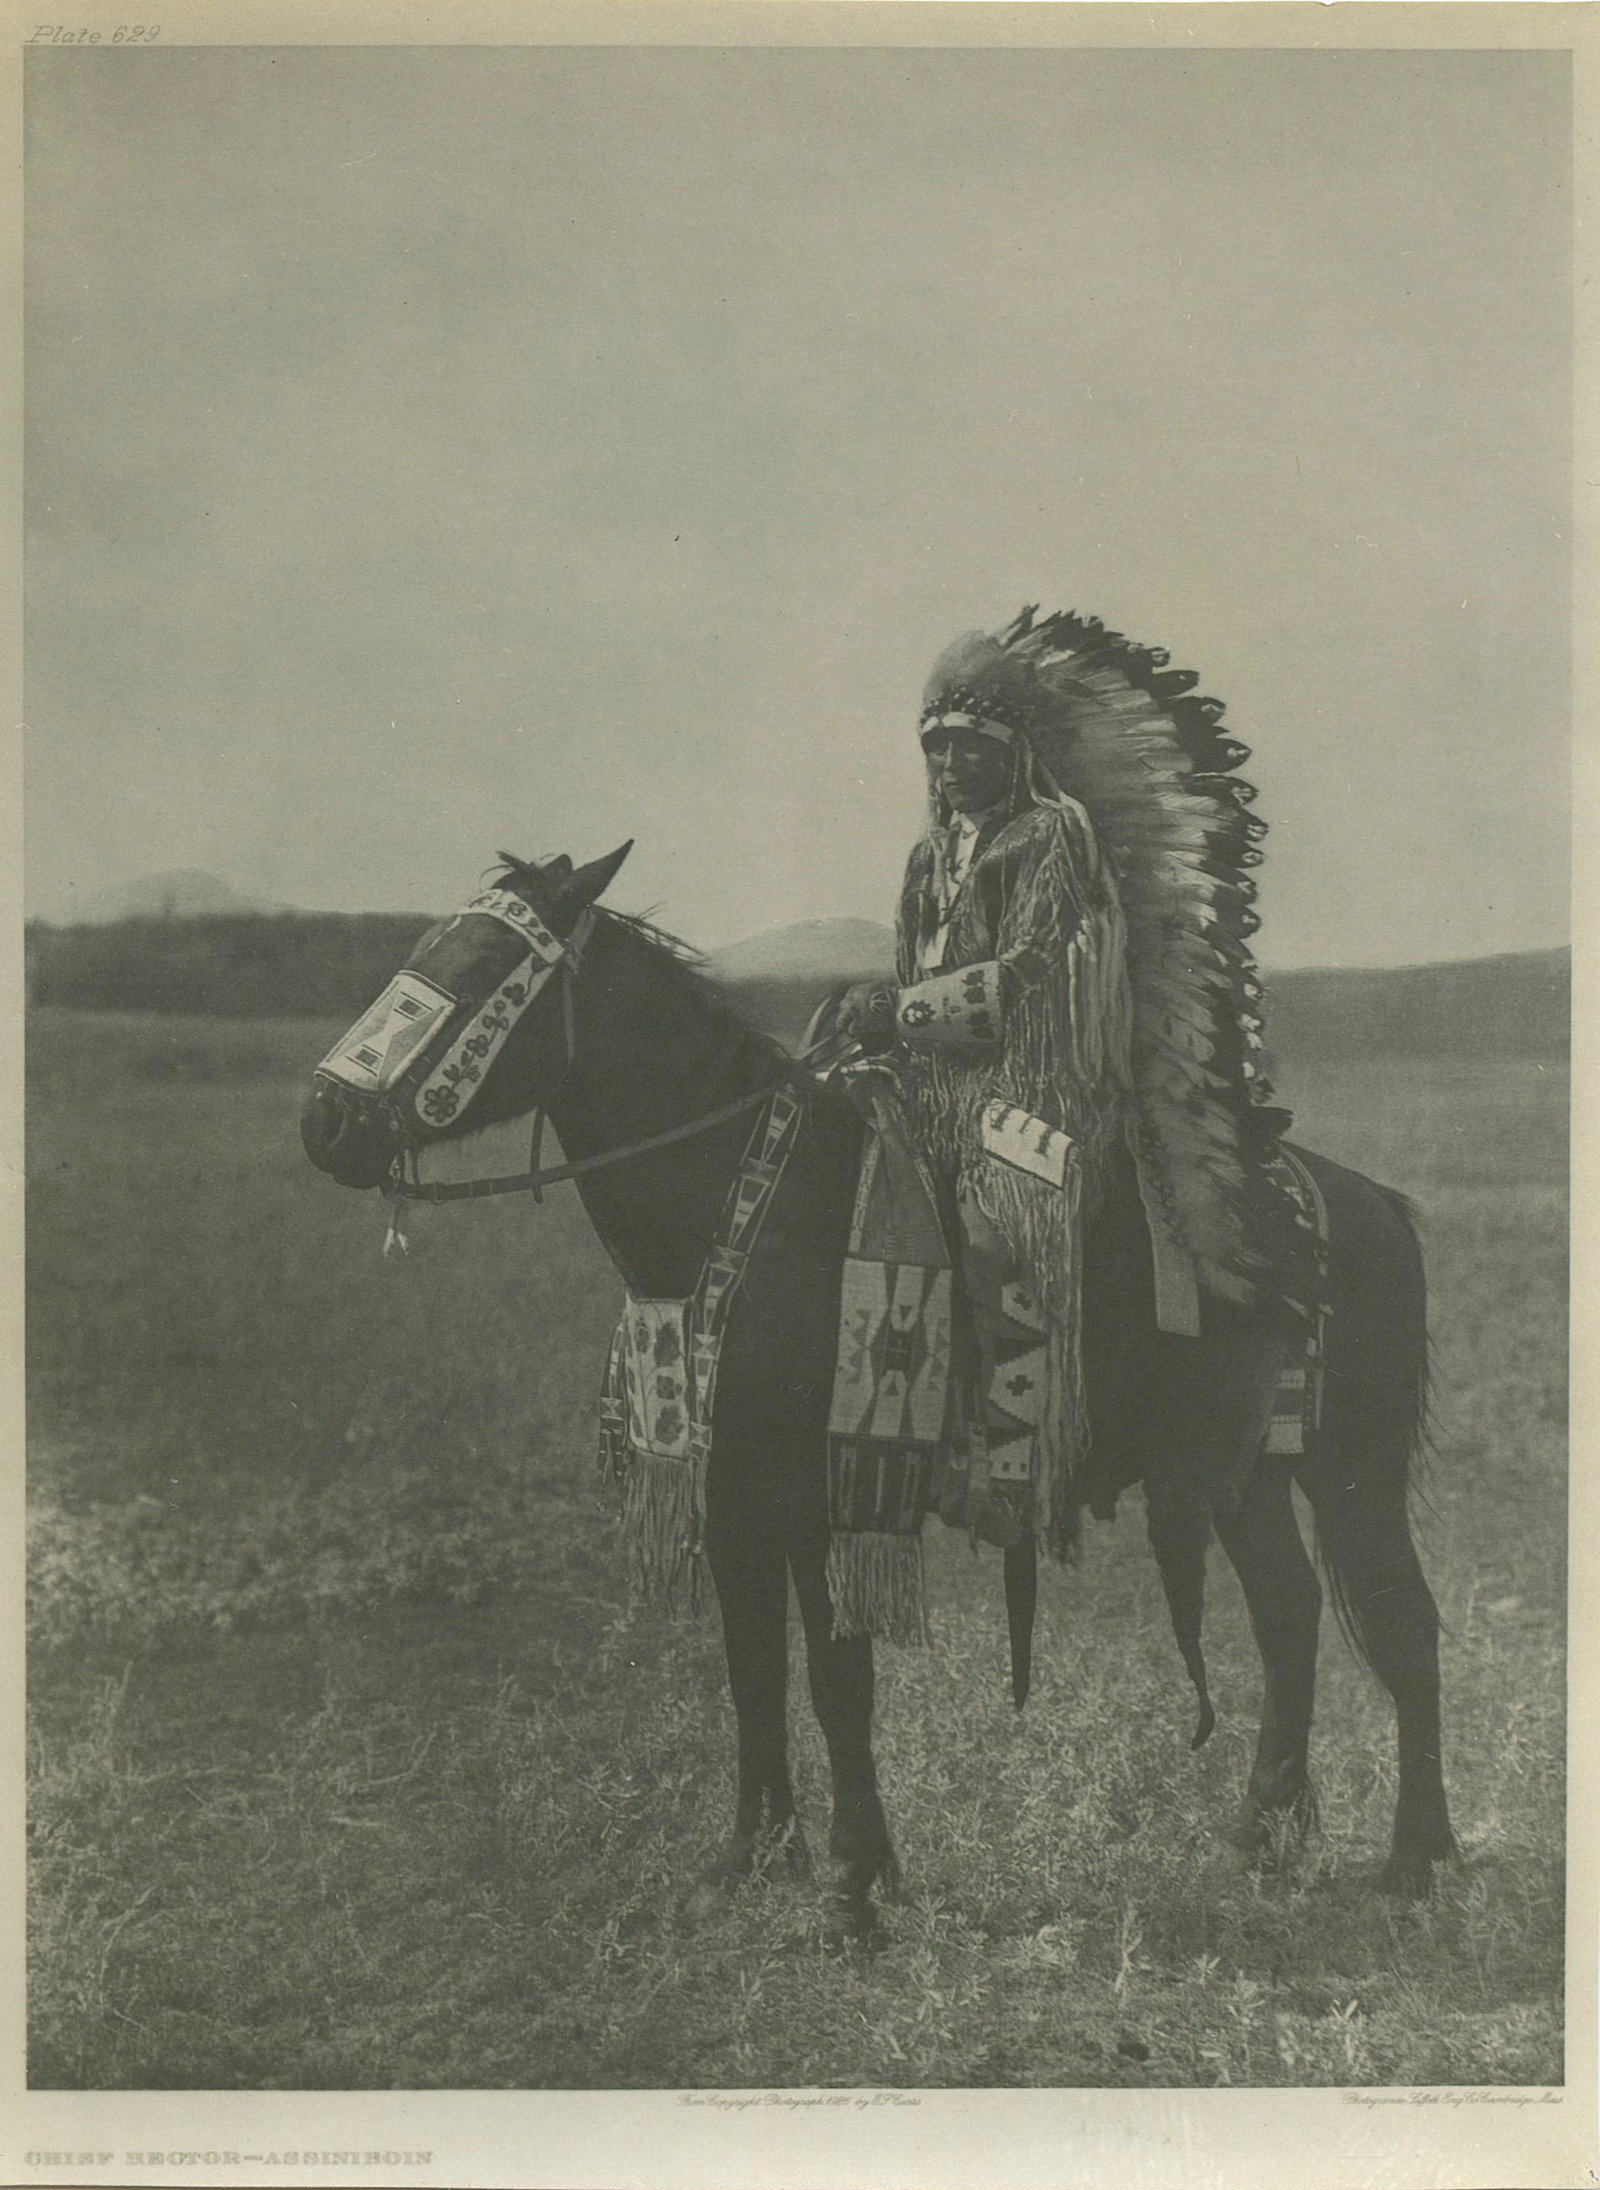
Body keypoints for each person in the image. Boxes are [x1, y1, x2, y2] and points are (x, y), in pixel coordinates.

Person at [831, 611, 1287, 1564]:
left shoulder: (1051, 835)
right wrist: (874, 1027)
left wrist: (901, 1011)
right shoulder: (930, 855)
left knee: (1001, 1219)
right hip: (935, 1086)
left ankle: (1017, 1464)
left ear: (1017, 748)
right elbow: (912, 964)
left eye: (971, 745)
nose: (951, 765)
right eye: (937, 747)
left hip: (1035, 1086)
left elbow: (1033, 973)